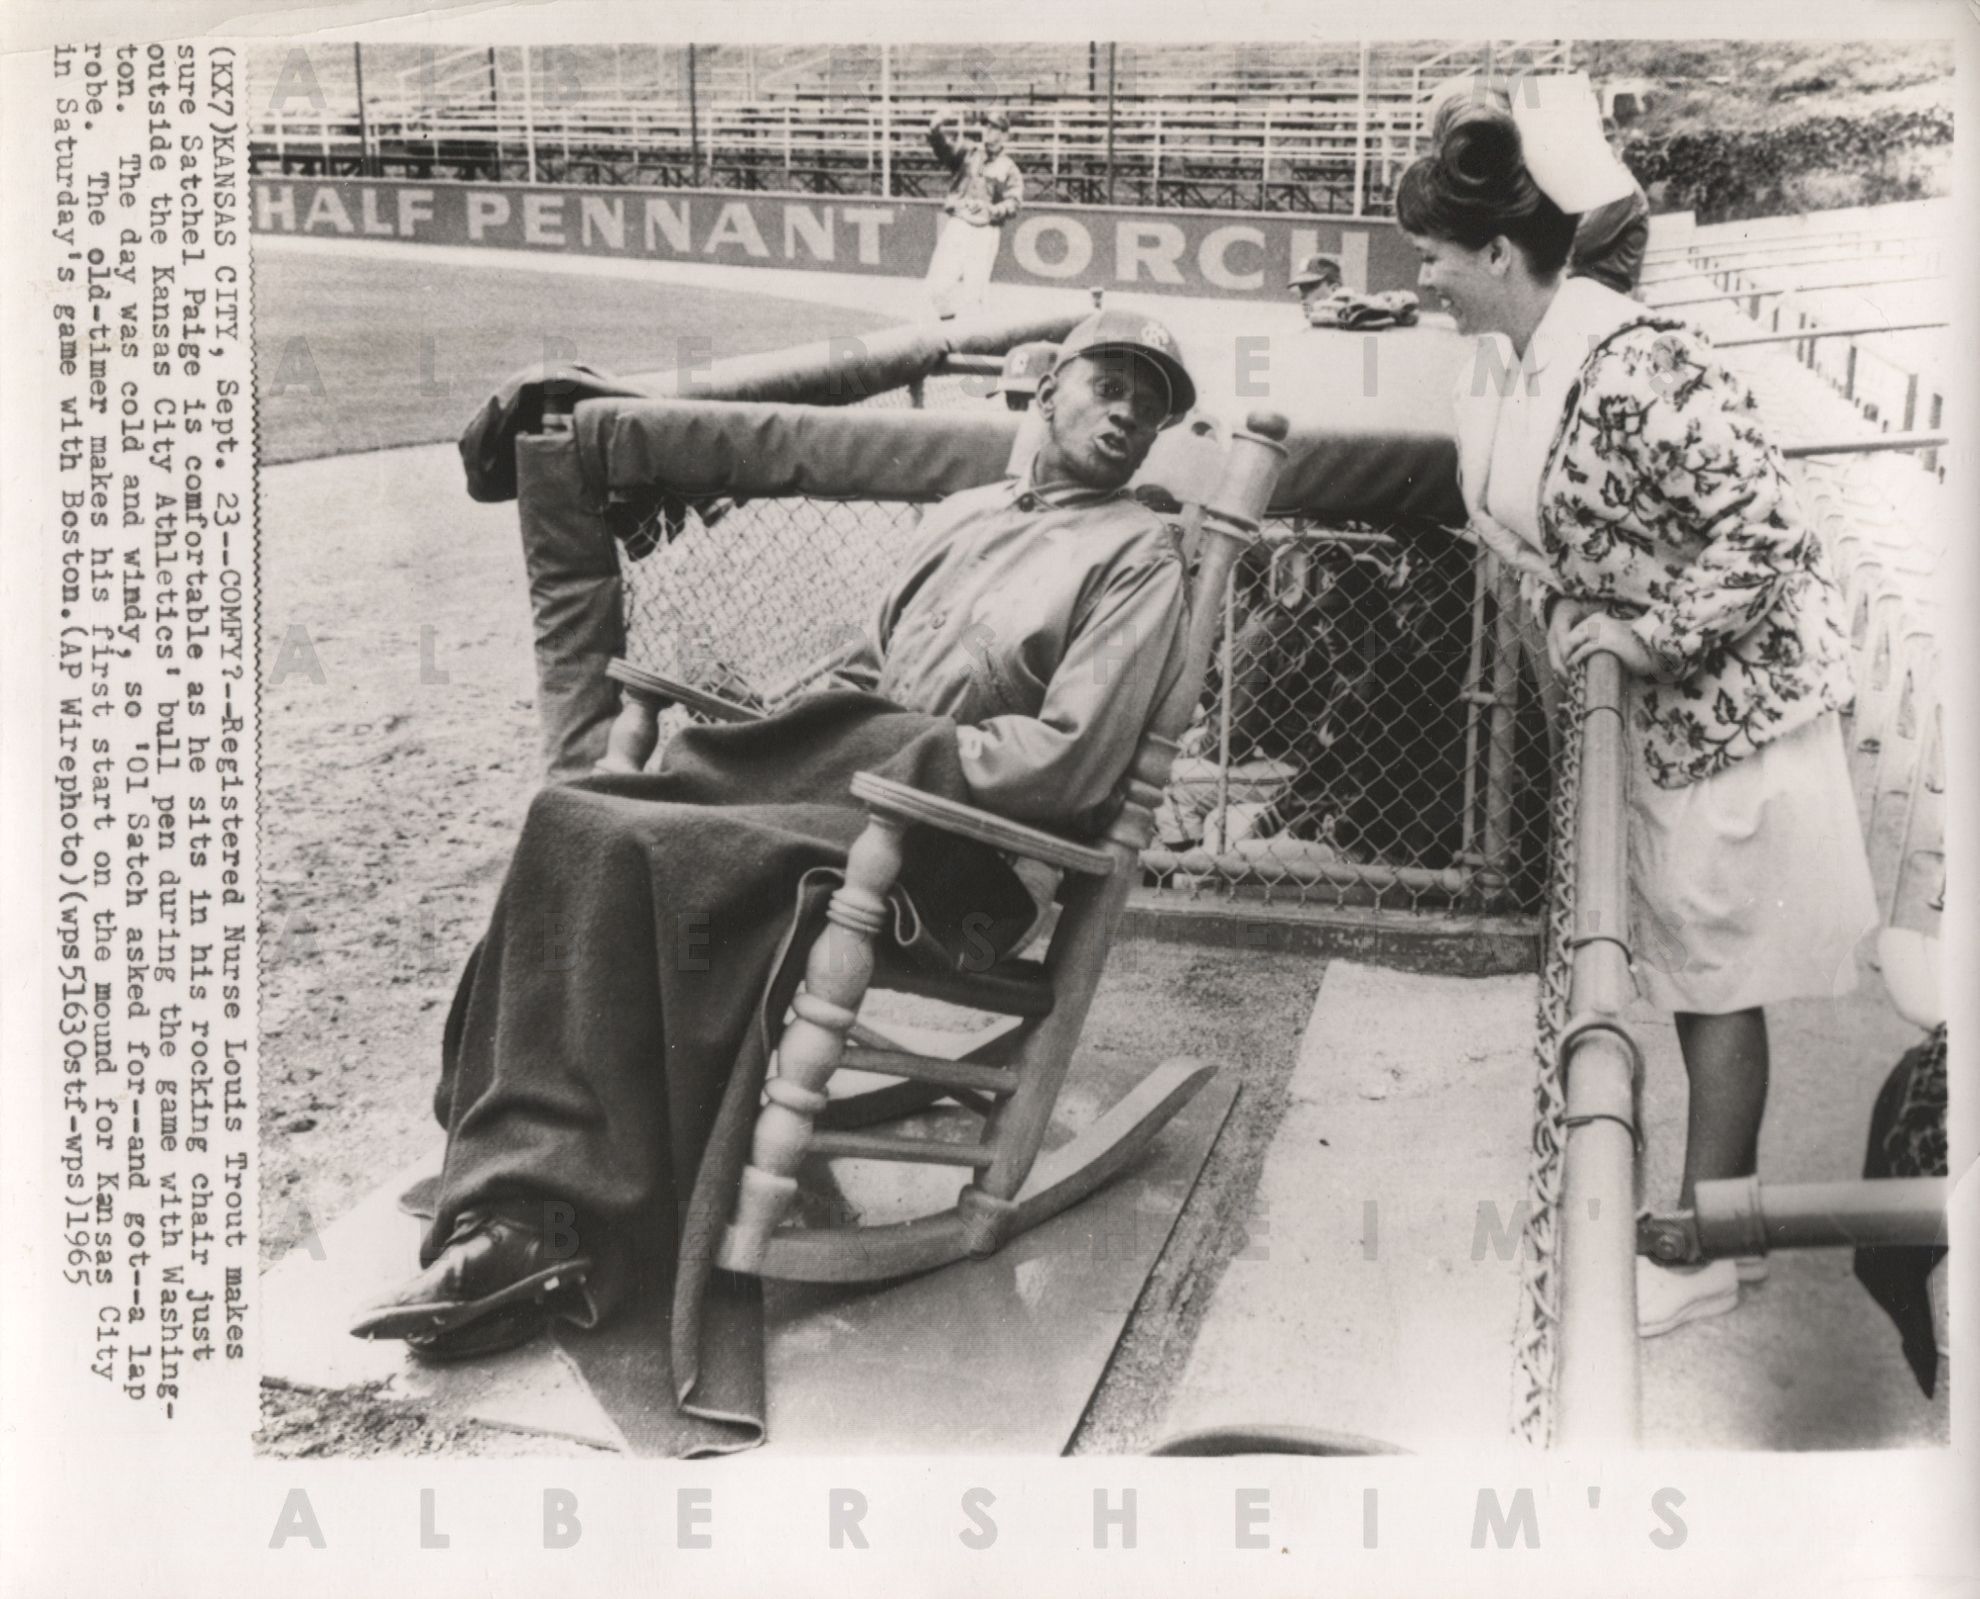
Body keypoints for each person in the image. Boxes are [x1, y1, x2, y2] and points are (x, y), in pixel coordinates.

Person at [351, 310, 1199, 1362]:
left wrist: (890, 751)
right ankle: (525, 1166)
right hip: (853, 792)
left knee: (654, 849)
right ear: (1046, 391)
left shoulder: (1138, 555)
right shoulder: (968, 511)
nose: (1129, 412)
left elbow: (1068, 763)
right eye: (1111, 384)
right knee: (571, 816)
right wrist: (793, 733)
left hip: (951, 847)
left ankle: (548, 1220)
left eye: (1152, 403)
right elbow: (860, 672)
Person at [1398, 91, 1876, 1336]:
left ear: (1499, 257)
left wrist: (1649, 633)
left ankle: (1713, 1239)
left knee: (1718, 977)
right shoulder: (1512, 358)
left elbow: (1768, 530)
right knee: (1680, 968)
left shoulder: (1640, 360)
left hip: (1729, 714)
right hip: (1651, 715)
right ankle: (1703, 1222)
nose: (1427, 282)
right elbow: (1535, 530)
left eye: (1437, 261)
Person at [924, 107, 1024, 319]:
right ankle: (949, 327)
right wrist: (935, 129)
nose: (988, 130)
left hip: (985, 231)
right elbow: (943, 150)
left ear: (1005, 134)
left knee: (974, 296)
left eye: (994, 127)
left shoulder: (1009, 167)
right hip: (959, 222)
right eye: (986, 125)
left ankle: (968, 343)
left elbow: (1014, 201)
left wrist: (993, 209)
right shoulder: (968, 153)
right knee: (937, 287)